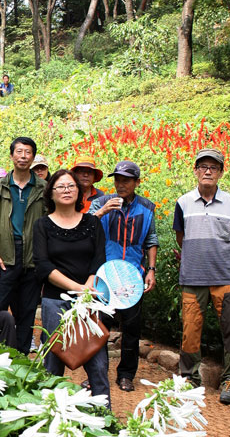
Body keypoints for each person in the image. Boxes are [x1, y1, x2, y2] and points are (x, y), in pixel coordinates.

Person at [34, 169, 109, 405]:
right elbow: (43, 265)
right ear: (51, 193)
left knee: (98, 364)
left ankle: (104, 418)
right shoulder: (42, 225)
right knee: (53, 365)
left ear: (79, 192)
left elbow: (99, 260)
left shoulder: (92, 223)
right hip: (55, 301)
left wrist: (86, 289)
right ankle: (50, 416)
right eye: (60, 187)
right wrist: (77, 288)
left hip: (89, 302)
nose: (66, 191)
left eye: (71, 186)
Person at [173, 148, 230, 404]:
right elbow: (182, 239)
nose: (208, 171)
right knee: (190, 330)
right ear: (195, 171)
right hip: (192, 277)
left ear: (221, 172)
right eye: (203, 167)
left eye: (214, 167)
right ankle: (189, 378)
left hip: (224, 277)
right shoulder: (183, 202)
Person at [88, 160, 158, 393]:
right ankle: (96, 374)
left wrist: (151, 270)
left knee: (131, 329)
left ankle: (126, 375)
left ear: (137, 182)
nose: (120, 184)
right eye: (117, 179)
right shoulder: (99, 202)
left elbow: (151, 240)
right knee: (99, 327)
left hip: (132, 276)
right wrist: (103, 211)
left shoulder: (147, 207)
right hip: (104, 274)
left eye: (126, 180)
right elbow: (83, 229)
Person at [0, 137, 46, 354]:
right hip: (4, 256)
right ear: (11, 156)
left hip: (32, 257)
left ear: (33, 157)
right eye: (19, 152)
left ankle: (20, 357)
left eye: (27, 152)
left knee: (27, 311)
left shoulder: (42, 188)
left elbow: (48, 224)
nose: (23, 156)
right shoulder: (0, 187)